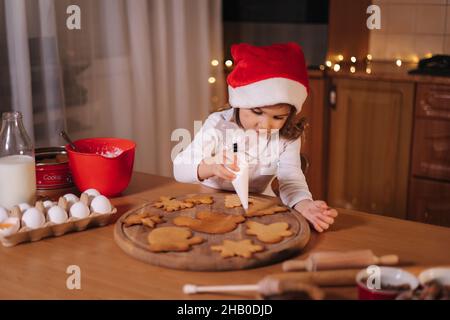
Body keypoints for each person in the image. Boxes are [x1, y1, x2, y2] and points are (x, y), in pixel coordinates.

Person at [173, 43, 337, 232]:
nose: (266, 125)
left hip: (257, 204)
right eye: (257, 112)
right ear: (240, 102)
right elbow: (180, 168)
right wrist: (210, 167)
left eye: (278, 117)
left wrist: (304, 204)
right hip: (210, 201)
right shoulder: (218, 124)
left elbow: (290, 180)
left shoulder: (287, 136)